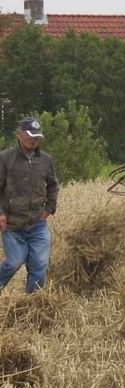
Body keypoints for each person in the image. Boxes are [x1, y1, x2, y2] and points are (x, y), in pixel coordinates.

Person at [0, 117, 59, 294]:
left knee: (40, 264)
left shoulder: (46, 160)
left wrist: (49, 209)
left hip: (37, 223)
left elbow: (53, 185)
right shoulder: (5, 158)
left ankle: (32, 301)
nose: (34, 140)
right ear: (19, 135)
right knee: (14, 262)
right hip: (13, 224)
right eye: (30, 136)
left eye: (37, 137)